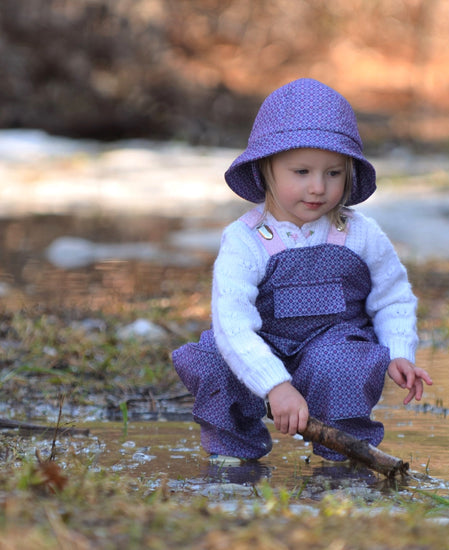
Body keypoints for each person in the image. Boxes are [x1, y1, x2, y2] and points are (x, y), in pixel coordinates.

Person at [172, 78, 432, 464]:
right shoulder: (247, 240)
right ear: (266, 169)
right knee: (215, 361)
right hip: (261, 345)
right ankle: (232, 455)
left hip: (332, 344)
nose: (317, 188)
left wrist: (399, 352)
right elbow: (233, 323)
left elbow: (392, 295)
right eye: (301, 171)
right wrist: (274, 384)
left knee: (342, 363)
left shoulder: (357, 233)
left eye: (333, 173)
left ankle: (347, 457)